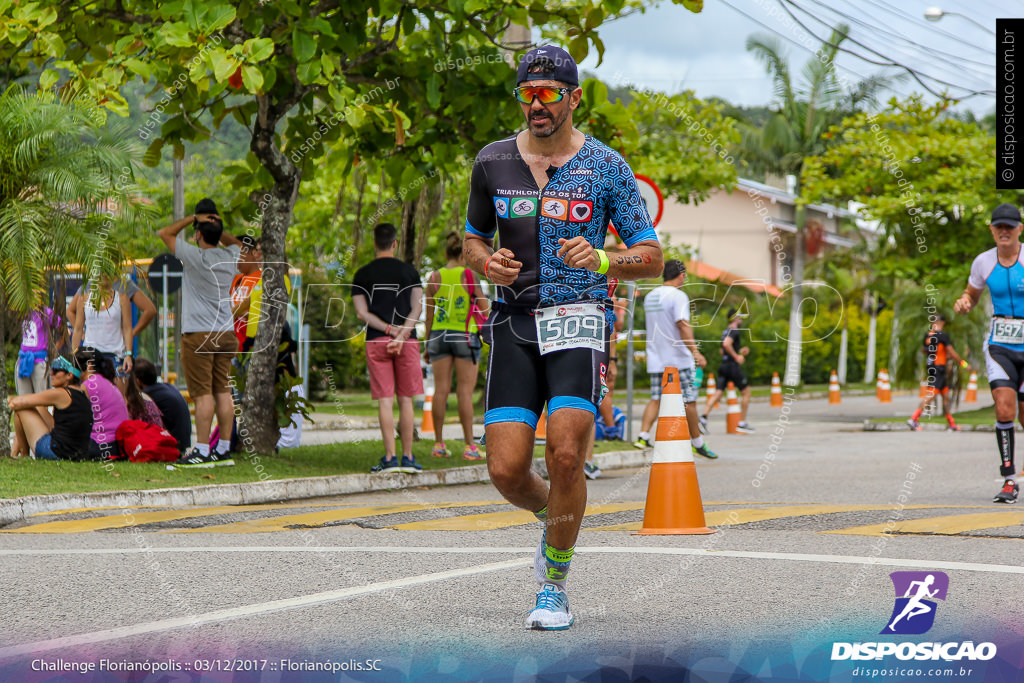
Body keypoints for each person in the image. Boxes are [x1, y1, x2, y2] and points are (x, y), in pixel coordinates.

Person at [463, 45, 663, 630]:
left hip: (579, 314)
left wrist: (603, 256)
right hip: (514, 321)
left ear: (574, 98)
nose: (537, 105)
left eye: (549, 93)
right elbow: (473, 238)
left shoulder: (606, 166)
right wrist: (485, 265)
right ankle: (559, 516)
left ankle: (554, 580)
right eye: (528, 94)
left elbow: (650, 255)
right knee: (504, 469)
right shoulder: (492, 161)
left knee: (568, 454)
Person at [157, 198, 241, 468]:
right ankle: (224, 448)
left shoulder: (194, 256)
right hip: (226, 333)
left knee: (203, 395)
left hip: (198, 335)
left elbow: (165, 233)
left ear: (198, 234)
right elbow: (237, 244)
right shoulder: (230, 256)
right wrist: (216, 225)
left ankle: (202, 449)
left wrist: (195, 218)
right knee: (223, 392)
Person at [954, 202, 1024, 504]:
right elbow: (972, 292)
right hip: (1000, 344)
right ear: (992, 230)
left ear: (1020, 229)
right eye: (999, 226)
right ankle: (1009, 479)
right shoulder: (983, 262)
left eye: (1010, 226)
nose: (1004, 231)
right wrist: (965, 301)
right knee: (1004, 408)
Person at [353, 222, 425, 474]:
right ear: (395, 243)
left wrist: (388, 331)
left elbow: (362, 313)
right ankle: (408, 458)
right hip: (408, 342)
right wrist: (402, 333)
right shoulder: (410, 272)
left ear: (375, 243)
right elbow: (417, 308)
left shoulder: (362, 274)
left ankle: (389, 458)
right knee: (405, 400)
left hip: (377, 340)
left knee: (385, 401)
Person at [633, 260, 717, 459]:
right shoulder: (679, 296)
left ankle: (642, 436)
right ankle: (697, 443)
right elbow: (682, 325)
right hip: (678, 359)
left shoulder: (651, 296)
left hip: (656, 357)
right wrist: (696, 352)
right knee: (690, 401)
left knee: (656, 398)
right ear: (681, 275)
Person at [423, 231, 489, 461]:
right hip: (464, 336)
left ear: (445, 253)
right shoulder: (469, 275)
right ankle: (470, 446)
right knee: (464, 393)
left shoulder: (434, 277)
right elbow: (484, 307)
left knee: (440, 391)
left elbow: (428, 316)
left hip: (438, 337)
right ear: (463, 255)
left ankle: (438, 444)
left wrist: (426, 345)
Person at [8, 355, 93, 461]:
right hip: (77, 453)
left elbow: (17, 403)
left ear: (69, 375)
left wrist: (9, 402)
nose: (50, 373)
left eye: (56, 370)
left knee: (22, 409)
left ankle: (21, 455)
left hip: (55, 452)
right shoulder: (82, 393)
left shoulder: (61, 393)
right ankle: (16, 454)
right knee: (37, 406)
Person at [585, 276, 628, 480]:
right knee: (594, 399)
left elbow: (613, 326)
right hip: (598, 351)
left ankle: (586, 459)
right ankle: (609, 432)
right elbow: (613, 325)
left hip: (598, 349)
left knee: (589, 401)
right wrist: (611, 360)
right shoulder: (603, 287)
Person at [69, 275, 157, 357]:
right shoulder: (88, 287)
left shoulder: (124, 287)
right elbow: (70, 313)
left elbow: (150, 310)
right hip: (91, 353)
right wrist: (82, 335)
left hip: (115, 352)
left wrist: (131, 334)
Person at [907, 314, 967, 432]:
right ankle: (913, 419)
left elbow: (924, 350)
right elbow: (951, 352)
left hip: (932, 367)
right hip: (939, 369)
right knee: (931, 396)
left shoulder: (928, 335)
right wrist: (963, 363)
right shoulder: (942, 335)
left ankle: (952, 424)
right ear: (943, 323)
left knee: (945, 396)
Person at [71, 275, 134, 387]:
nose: (103, 276)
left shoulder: (122, 298)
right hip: (90, 356)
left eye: (107, 272)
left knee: (118, 395)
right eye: (100, 272)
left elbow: (127, 328)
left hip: (115, 355)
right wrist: (74, 356)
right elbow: (78, 329)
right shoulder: (84, 298)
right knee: (90, 396)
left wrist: (128, 354)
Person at [701, 308, 754, 434]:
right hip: (732, 366)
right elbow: (726, 344)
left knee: (718, 392)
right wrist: (737, 357)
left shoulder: (725, 331)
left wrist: (740, 352)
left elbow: (722, 350)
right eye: (739, 317)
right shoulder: (734, 331)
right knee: (746, 392)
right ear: (735, 318)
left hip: (724, 365)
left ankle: (703, 418)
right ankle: (742, 423)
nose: (741, 319)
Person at [79, 347, 131, 460]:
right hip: (117, 446)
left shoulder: (88, 385)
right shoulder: (108, 383)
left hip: (99, 445)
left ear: (89, 366)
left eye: (75, 364)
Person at [134, 357, 192, 453]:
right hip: (184, 443)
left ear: (138, 381)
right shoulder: (167, 387)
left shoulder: (147, 396)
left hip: (174, 446)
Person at [17, 307, 58, 396]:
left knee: (41, 399)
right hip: (23, 360)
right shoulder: (23, 309)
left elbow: (65, 331)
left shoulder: (47, 312)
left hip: (40, 361)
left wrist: (55, 348)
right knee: (24, 399)